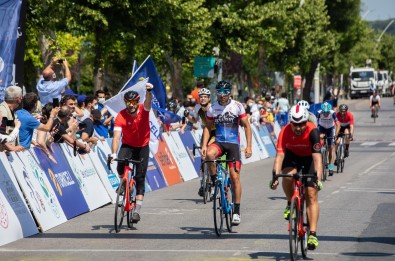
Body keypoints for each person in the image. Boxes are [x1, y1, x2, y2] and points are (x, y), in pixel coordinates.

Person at [270, 105, 323, 251]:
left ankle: (312, 233)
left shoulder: (313, 131)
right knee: (287, 176)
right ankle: (289, 203)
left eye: (302, 124)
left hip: (309, 159)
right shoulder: (285, 131)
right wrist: (275, 176)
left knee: (311, 194)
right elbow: (280, 156)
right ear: (290, 123)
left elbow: (318, 158)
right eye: (295, 124)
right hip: (292, 156)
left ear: (306, 122)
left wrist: (318, 178)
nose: (298, 128)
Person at [201, 81, 252, 225]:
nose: (222, 95)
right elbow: (207, 127)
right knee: (209, 155)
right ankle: (213, 180)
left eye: (225, 92)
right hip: (219, 142)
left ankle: (236, 210)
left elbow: (247, 126)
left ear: (230, 93)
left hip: (233, 145)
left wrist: (249, 147)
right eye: (219, 92)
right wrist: (204, 145)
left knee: (235, 177)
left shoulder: (237, 106)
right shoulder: (213, 108)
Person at [110, 83, 153, 224]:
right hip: (128, 145)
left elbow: (148, 101)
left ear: (137, 101)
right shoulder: (121, 116)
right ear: (125, 103)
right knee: (120, 163)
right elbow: (116, 137)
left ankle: (137, 211)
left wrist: (149, 91)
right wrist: (113, 153)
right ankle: (124, 182)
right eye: (128, 102)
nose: (131, 105)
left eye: (134, 102)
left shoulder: (144, 109)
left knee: (140, 177)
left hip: (142, 146)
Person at [184, 88, 216, 196]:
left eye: (205, 97)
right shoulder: (197, 107)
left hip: (216, 132)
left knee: (209, 153)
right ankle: (202, 184)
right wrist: (187, 115)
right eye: (201, 97)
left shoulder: (213, 107)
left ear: (209, 98)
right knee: (203, 158)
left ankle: (213, 183)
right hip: (206, 133)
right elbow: (195, 120)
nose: (202, 98)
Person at [316, 102, 340, 176]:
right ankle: (321, 157)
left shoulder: (333, 113)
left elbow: (338, 125)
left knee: (331, 148)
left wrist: (336, 135)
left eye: (327, 113)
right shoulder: (319, 113)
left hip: (330, 129)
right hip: (322, 128)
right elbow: (314, 124)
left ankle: (330, 167)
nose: (326, 114)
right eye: (324, 113)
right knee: (319, 143)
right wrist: (317, 134)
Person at [0, 86, 24, 152]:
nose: (22, 99)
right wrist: (10, 147)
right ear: (18, 99)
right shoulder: (3, 111)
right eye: (21, 97)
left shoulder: (9, 110)